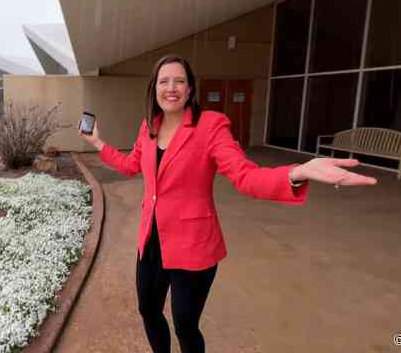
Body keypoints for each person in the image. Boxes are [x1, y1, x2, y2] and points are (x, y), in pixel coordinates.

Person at [78, 54, 377, 353]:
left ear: (191, 89)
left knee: (185, 325)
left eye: (179, 81)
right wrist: (97, 143)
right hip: (152, 241)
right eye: (164, 81)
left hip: (194, 247)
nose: (171, 87)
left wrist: (297, 173)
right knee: (148, 311)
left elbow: (246, 176)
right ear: (154, 88)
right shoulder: (149, 126)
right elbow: (131, 165)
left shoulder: (210, 126)